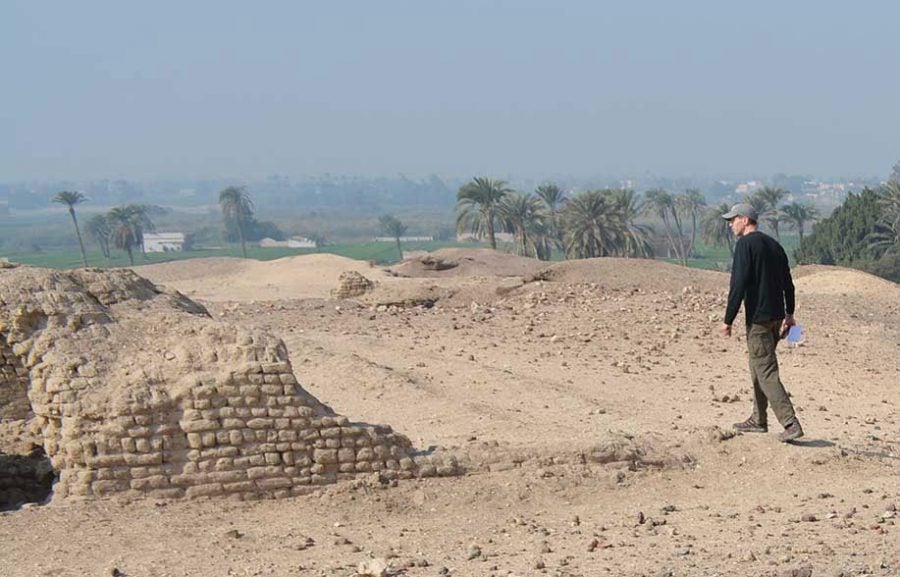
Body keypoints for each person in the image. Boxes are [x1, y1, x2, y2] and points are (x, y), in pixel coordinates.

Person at [720, 203, 804, 442]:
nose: (730, 224)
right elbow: (788, 283)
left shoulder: (745, 245)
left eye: (733, 219)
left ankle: (790, 422)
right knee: (757, 366)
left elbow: (738, 284)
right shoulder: (775, 245)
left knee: (766, 370)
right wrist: (790, 314)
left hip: (758, 319)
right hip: (777, 318)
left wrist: (728, 320)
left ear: (745, 220)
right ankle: (758, 419)